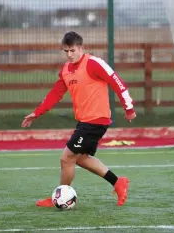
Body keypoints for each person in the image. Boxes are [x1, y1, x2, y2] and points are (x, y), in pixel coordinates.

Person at [21, 31, 136, 207]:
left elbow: (116, 81)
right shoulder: (66, 70)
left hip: (96, 119)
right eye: (65, 51)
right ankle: (118, 182)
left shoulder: (93, 63)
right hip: (84, 121)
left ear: (81, 48)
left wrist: (128, 107)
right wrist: (37, 113)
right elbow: (55, 93)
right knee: (81, 158)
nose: (69, 55)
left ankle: (59, 197)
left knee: (66, 158)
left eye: (72, 50)